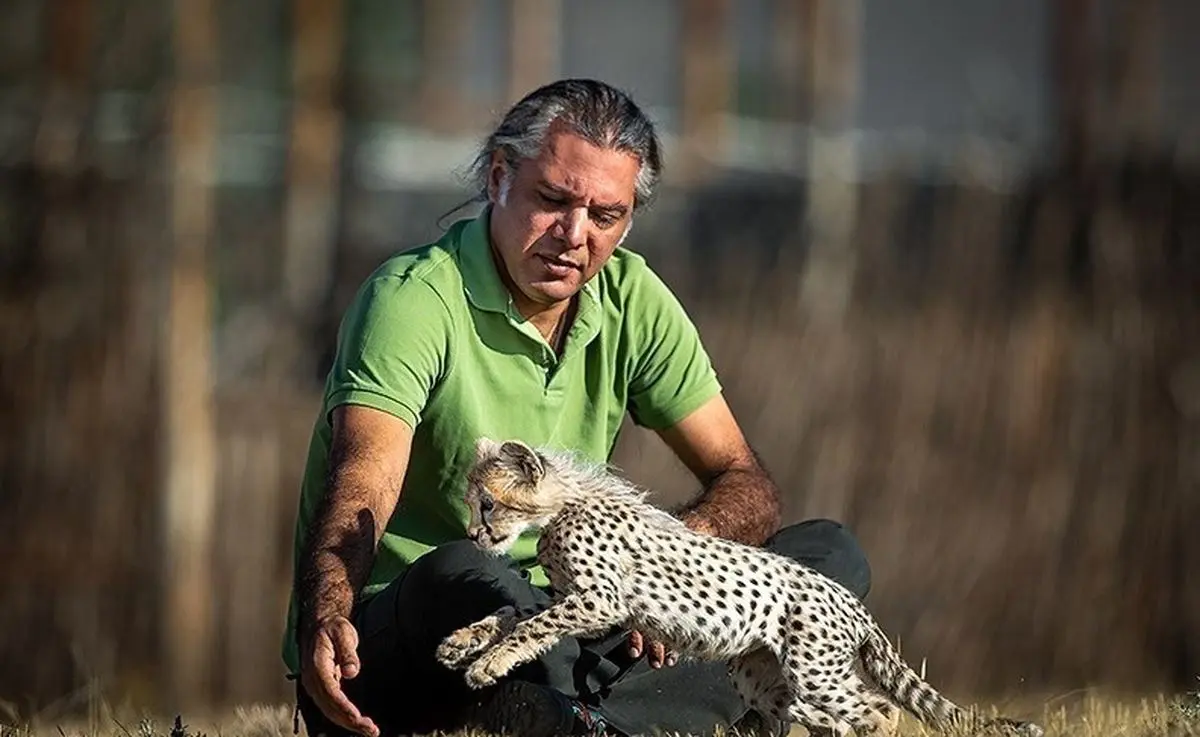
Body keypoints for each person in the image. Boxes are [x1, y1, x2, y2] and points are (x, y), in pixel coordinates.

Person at [283, 78, 873, 737]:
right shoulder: (413, 298)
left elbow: (744, 478)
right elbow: (362, 480)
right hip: (424, 638)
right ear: (499, 177)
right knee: (466, 569)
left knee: (828, 555)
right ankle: (650, 714)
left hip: (584, 617)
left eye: (605, 215)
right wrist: (326, 616)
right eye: (553, 200)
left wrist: (667, 572)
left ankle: (599, 722)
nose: (574, 234)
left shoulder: (635, 298)